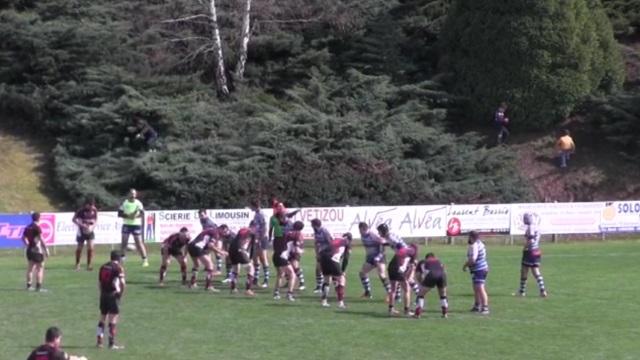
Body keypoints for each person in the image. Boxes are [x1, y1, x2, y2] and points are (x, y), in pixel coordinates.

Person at [97, 250, 126, 349]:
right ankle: (111, 343)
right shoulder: (118, 268)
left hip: (103, 294)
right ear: (118, 258)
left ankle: (99, 341)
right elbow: (122, 283)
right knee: (113, 319)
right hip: (113, 295)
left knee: (102, 318)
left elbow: (100, 283)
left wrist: (102, 293)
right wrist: (120, 294)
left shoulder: (103, 266)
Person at [515, 213, 548, 297]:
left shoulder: (530, 228)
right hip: (536, 250)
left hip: (529, 251)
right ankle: (542, 290)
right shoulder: (537, 227)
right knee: (536, 271)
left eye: (525, 218)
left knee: (524, 271)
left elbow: (530, 240)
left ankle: (522, 291)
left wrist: (525, 247)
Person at [187, 227, 227, 292]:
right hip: (197, 247)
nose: (224, 233)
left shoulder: (209, 230)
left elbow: (206, 243)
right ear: (220, 229)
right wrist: (220, 252)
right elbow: (210, 245)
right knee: (210, 265)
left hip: (191, 246)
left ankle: (192, 283)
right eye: (224, 231)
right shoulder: (216, 233)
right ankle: (209, 286)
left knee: (196, 265)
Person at [319, 233, 352, 309]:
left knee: (327, 280)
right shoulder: (347, 243)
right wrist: (343, 270)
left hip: (323, 257)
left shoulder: (336, 239)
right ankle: (341, 303)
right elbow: (346, 259)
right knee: (342, 279)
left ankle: (324, 301)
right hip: (332, 258)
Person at [358, 222, 390, 299]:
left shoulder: (372, 234)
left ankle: (390, 294)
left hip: (379, 257)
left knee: (382, 275)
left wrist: (379, 256)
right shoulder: (363, 235)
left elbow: (383, 242)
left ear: (363, 228)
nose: (359, 231)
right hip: (370, 258)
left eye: (360, 229)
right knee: (362, 273)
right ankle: (367, 293)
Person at [272, 221, 302, 301]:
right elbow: (296, 248)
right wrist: (300, 252)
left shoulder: (280, 234)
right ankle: (289, 294)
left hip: (275, 255)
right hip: (282, 256)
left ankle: (276, 293)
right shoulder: (296, 234)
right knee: (292, 275)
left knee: (280, 274)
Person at [118, 189, 148, 267]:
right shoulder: (124, 203)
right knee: (124, 242)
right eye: (131, 193)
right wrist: (128, 216)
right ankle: (122, 259)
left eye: (134, 194)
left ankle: (145, 259)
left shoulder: (138, 203)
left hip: (136, 225)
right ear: (128, 194)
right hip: (126, 224)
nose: (133, 195)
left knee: (139, 243)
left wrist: (135, 216)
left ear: (136, 195)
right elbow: (119, 213)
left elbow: (142, 213)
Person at [386, 243, 418, 316]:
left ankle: (391, 309)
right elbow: (411, 267)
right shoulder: (412, 252)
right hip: (398, 268)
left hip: (391, 267)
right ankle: (406, 311)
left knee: (393, 289)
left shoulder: (404, 249)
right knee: (407, 290)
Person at [414, 253, 449, 318]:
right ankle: (445, 313)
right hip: (442, 275)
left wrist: (422, 283)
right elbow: (444, 271)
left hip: (431, 275)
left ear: (426, 257)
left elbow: (418, 275)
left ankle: (418, 313)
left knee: (421, 294)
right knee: (443, 295)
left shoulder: (423, 262)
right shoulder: (439, 261)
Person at [462, 231, 490, 315]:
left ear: (471, 237)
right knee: (476, 287)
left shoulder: (475, 245)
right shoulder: (480, 243)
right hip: (480, 268)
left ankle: (485, 307)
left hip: (479, 269)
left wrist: (465, 265)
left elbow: (473, 259)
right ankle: (477, 305)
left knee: (480, 288)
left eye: (469, 237)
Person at [22, 212, 49, 292]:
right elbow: (41, 239)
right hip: (37, 250)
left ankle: (29, 286)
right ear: (39, 218)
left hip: (29, 249)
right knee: (40, 268)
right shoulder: (37, 227)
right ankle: (38, 287)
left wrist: (27, 243)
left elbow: (23, 237)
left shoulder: (28, 227)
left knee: (30, 268)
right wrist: (46, 249)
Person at [228, 227, 257, 296]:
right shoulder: (252, 234)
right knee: (251, 269)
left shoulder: (242, 230)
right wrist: (251, 258)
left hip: (231, 249)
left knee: (235, 269)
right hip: (239, 250)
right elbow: (252, 247)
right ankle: (248, 290)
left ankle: (233, 289)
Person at [72, 198, 98, 271]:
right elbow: (73, 219)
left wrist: (92, 227)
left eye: (93, 205)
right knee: (79, 248)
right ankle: (77, 264)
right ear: (87, 205)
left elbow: (96, 220)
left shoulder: (94, 210)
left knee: (91, 248)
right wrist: (82, 225)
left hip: (90, 231)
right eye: (90, 206)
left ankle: (89, 265)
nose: (92, 207)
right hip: (81, 231)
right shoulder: (80, 211)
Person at [249, 200, 270, 288]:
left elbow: (265, 227)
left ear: (254, 206)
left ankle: (266, 280)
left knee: (263, 258)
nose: (250, 208)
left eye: (251, 206)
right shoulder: (256, 214)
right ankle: (256, 279)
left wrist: (261, 238)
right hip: (256, 238)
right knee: (255, 258)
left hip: (262, 239)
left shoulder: (261, 214)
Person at [311, 218, 333, 293]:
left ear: (315, 225)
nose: (311, 226)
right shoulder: (316, 232)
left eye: (312, 225)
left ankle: (327, 287)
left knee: (328, 271)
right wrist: (317, 254)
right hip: (321, 252)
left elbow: (330, 242)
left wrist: (329, 253)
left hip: (327, 253)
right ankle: (319, 287)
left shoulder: (324, 231)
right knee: (318, 269)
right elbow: (316, 243)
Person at [198, 209, 222, 273]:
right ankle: (208, 266)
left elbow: (215, 231)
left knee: (217, 253)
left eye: (202, 215)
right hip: (210, 236)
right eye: (200, 215)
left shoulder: (208, 222)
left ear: (206, 214)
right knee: (206, 252)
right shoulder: (201, 220)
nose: (201, 216)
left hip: (216, 236)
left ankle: (219, 269)